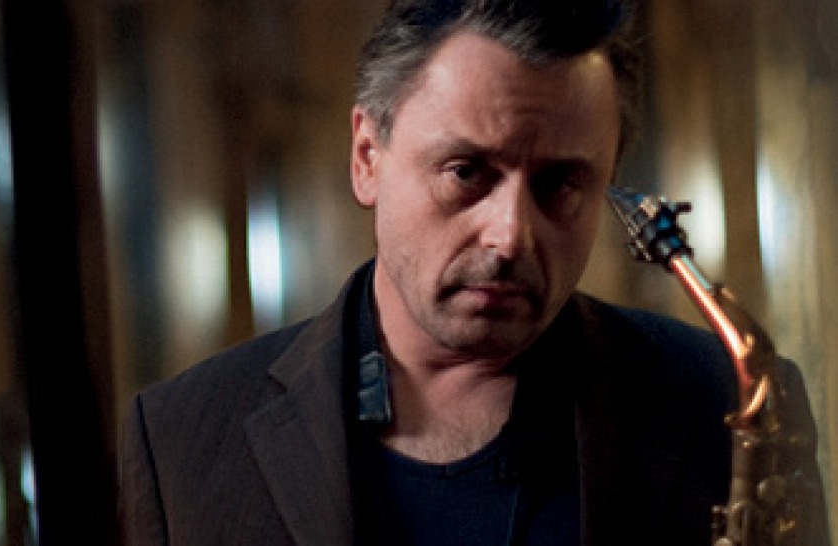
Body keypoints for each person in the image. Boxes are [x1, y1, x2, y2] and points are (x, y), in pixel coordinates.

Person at [121, 1, 830, 545]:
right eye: (467, 171)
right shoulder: (178, 443)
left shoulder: (714, 397)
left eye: (560, 183)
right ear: (367, 157)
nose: (510, 235)